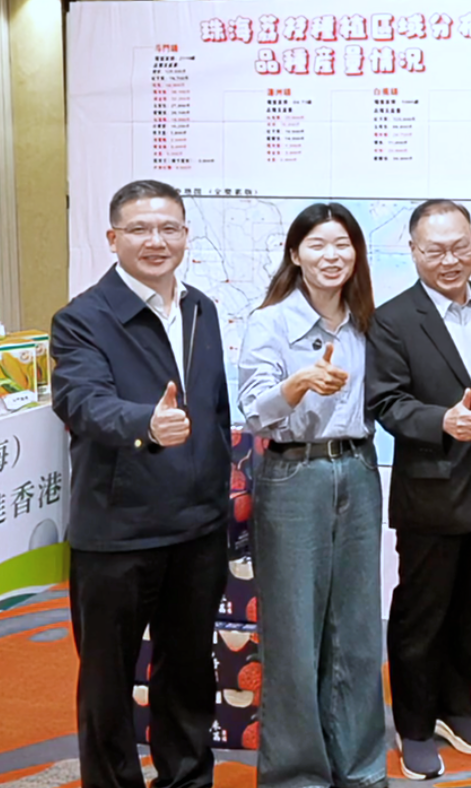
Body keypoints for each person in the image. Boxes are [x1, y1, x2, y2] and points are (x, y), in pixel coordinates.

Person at [52, 180, 232, 788]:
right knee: (107, 683)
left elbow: (214, 410)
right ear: (113, 238)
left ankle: (187, 779)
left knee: (189, 672)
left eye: (168, 228)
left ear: (185, 235)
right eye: (139, 229)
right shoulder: (82, 319)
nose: (156, 241)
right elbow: (81, 402)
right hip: (118, 531)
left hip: (197, 527)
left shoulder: (201, 308)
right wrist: (145, 423)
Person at [237, 202, 386, 788]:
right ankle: (296, 775)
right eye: (318, 245)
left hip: (359, 470)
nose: (332, 256)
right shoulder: (270, 322)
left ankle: (361, 768)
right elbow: (254, 412)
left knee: (357, 630)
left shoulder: (366, 320)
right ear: (295, 254)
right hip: (294, 475)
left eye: (343, 245)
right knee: (295, 634)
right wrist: (296, 385)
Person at [366, 200, 471, 779]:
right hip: (431, 490)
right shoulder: (393, 319)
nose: (450, 260)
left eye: (460, 247)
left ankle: (456, 709)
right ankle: (415, 726)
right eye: (436, 250)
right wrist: (440, 420)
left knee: (470, 608)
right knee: (420, 615)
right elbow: (386, 402)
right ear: (413, 251)